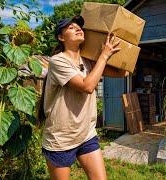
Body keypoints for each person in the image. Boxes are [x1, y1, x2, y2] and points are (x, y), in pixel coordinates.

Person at [40, 15, 124, 180]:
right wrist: (104, 56)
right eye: (71, 27)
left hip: (86, 134)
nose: (78, 28)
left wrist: (125, 53)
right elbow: (87, 86)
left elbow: (122, 73)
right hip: (61, 139)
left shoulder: (88, 61)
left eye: (79, 26)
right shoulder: (58, 61)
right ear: (61, 37)